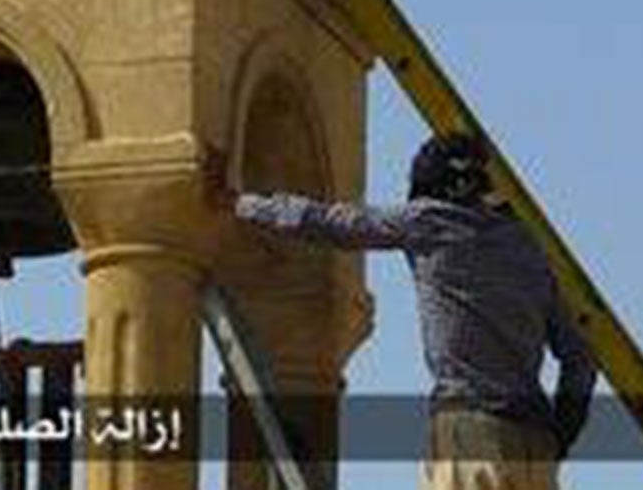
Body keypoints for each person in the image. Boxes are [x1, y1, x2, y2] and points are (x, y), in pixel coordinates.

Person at [224, 132, 596, 490]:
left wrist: (242, 204)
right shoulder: (524, 246)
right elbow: (580, 358)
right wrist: (558, 436)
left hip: (470, 430)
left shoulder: (428, 221)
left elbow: (333, 223)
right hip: (534, 445)